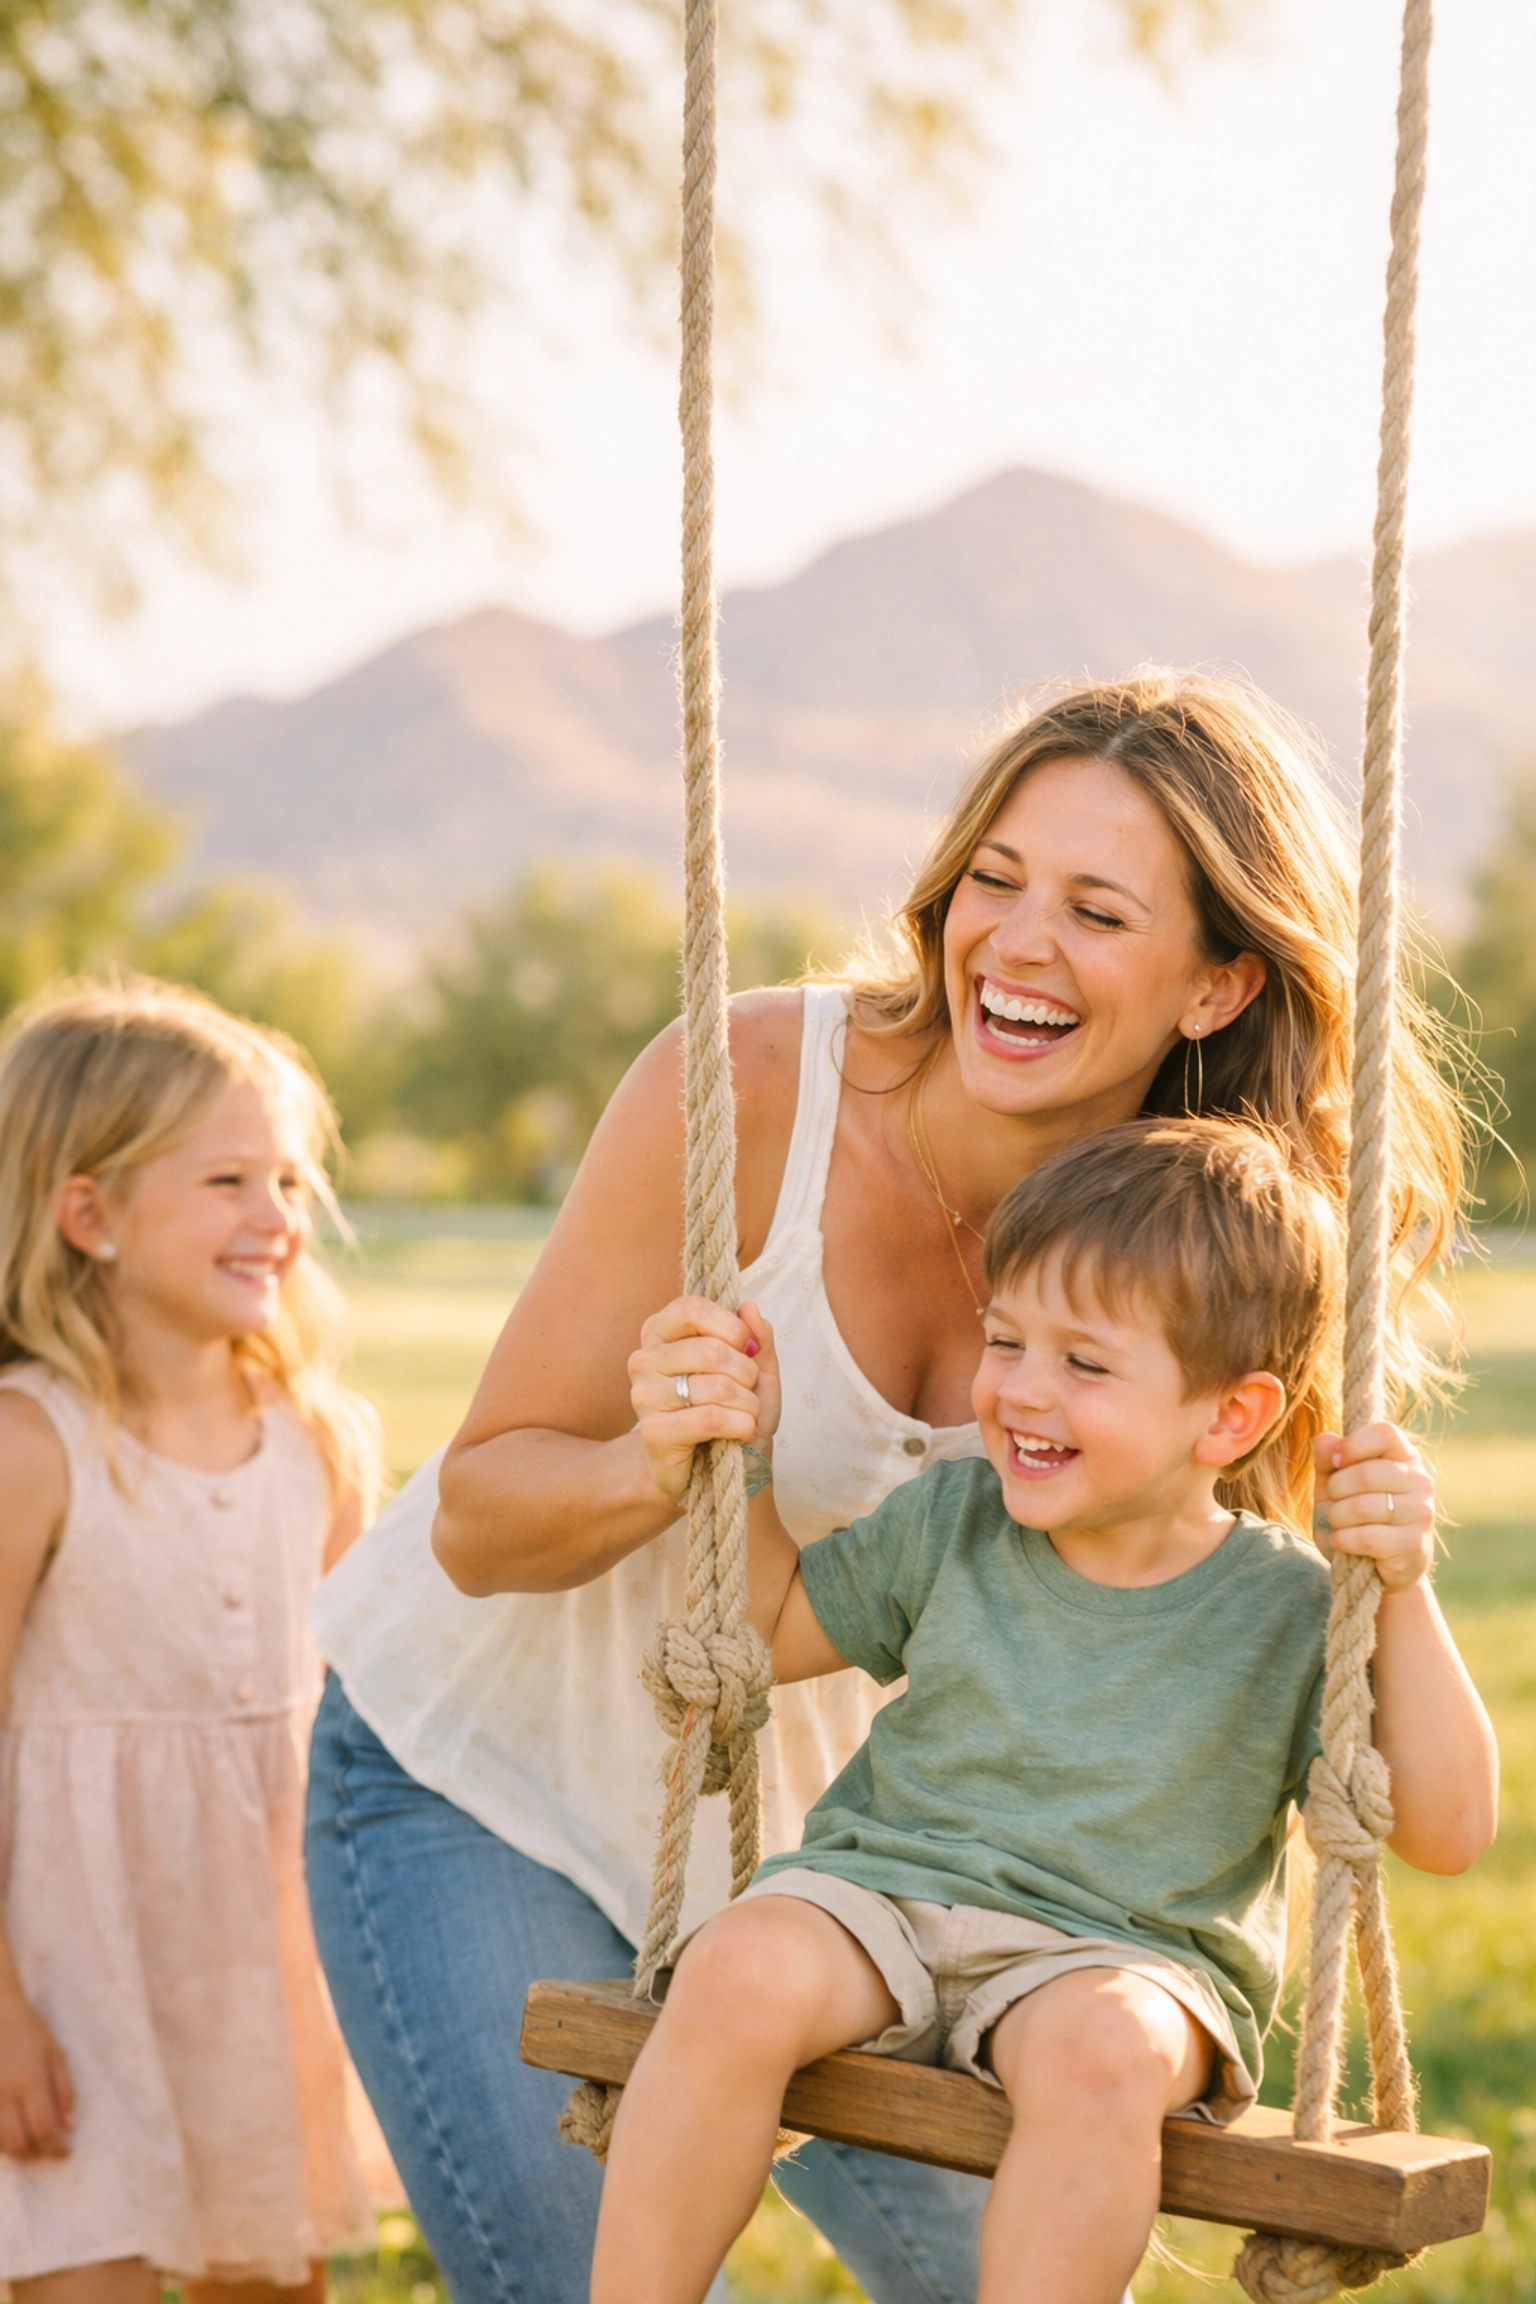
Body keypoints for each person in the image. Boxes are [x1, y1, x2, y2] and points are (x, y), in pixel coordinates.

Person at [307, 672, 1464, 2304]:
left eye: (1095, 907)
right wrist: (663, 1464)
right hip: (480, 1766)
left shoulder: (1202, 1251)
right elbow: (481, 1519)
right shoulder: (753, 1088)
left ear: (1215, 984)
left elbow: (1291, 1673)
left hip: (891, 1855)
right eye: (992, 877)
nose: (1016, 942)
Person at [594, 1120, 1498, 2304]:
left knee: (1099, 2052)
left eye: (1083, 1363)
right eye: (1007, 1339)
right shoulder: (952, 1521)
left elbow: (1449, 1827)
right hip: (885, 1897)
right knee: (736, 1966)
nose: (1020, 1388)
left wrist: (1400, 1586)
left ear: (1227, 1417)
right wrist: (743, 1466)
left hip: (1122, 1956)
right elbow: (759, 1638)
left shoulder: (1289, 1607)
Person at [0, 981, 380, 2304]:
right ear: (89, 1213)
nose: (278, 1218)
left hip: (254, 1962)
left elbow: (367, 1727)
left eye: (285, 1178)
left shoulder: (318, 1444)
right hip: (63, 1977)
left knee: (269, 2282)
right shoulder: (31, 1447)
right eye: (228, 1180)